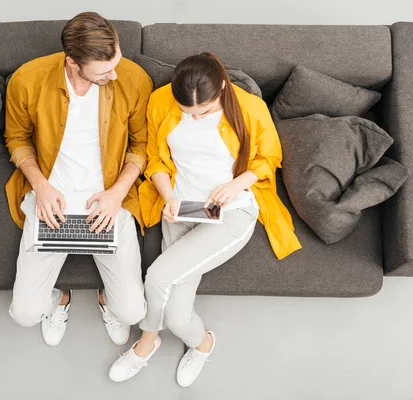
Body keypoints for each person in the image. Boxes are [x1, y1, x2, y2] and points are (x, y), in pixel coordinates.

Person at [109, 52, 302, 386]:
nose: (196, 118)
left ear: (222, 87)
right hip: (182, 208)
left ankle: (146, 343)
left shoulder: (250, 108)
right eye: (188, 112)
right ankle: (204, 343)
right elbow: (156, 159)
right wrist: (168, 197)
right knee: (176, 314)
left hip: (230, 212)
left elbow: (269, 157)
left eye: (206, 111)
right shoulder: (159, 102)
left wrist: (235, 184)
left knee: (156, 279)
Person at [4, 12, 152, 347]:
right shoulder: (27, 80)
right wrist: (41, 187)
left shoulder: (133, 78)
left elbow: (142, 145)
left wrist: (117, 193)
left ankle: (106, 298)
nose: (115, 74)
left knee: (131, 313)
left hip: (111, 196)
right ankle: (59, 297)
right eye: (103, 71)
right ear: (72, 62)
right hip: (50, 195)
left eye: (116, 61)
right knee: (24, 314)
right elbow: (16, 138)